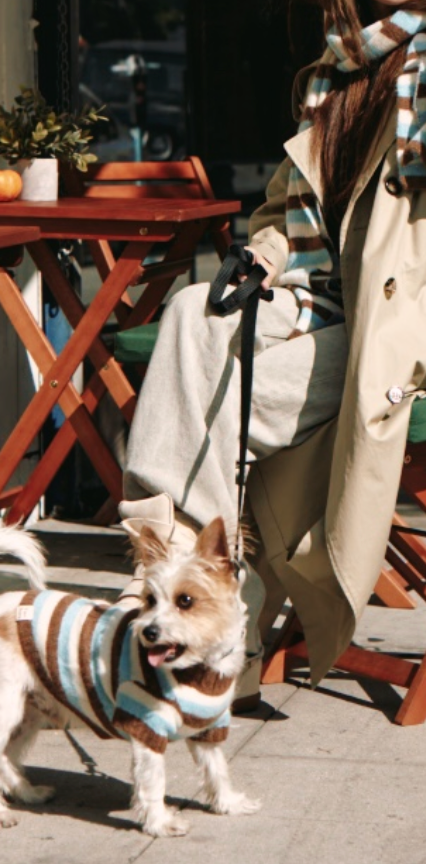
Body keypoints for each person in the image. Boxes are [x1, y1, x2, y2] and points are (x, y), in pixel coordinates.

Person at [119, 0, 426, 708]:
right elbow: (286, 215)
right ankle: (196, 587)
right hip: (319, 302)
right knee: (193, 310)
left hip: (390, 328)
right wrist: (261, 254)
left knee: (203, 405)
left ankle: (178, 588)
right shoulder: (339, 73)